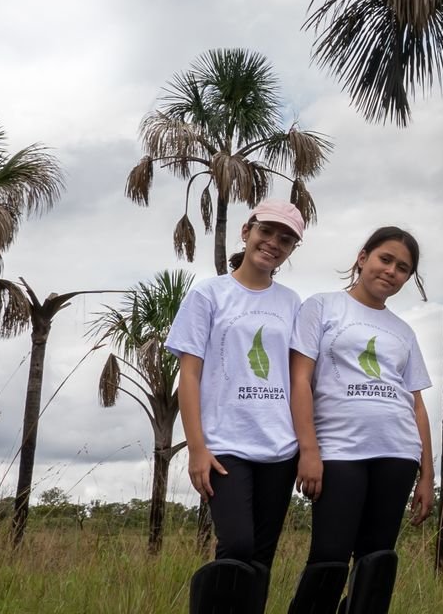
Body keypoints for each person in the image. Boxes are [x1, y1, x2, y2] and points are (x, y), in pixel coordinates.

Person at [286, 227, 435, 614]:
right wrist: (309, 450)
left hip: (398, 452)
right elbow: (300, 379)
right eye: (386, 259)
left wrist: (427, 476)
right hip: (339, 450)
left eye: (403, 268)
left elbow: (416, 404)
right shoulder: (321, 307)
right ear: (363, 257)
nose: (391, 271)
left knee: (376, 563)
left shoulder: (403, 331)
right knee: (329, 559)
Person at [168, 199, 307, 614]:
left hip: (280, 447)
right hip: (226, 445)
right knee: (237, 545)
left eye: (286, 240)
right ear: (247, 232)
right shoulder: (209, 294)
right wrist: (197, 448)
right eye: (267, 232)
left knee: (261, 558)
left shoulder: (291, 302)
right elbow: (188, 375)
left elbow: (298, 378)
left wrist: (305, 446)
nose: (274, 243)